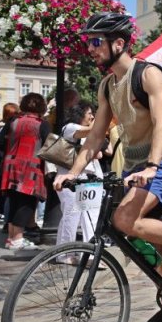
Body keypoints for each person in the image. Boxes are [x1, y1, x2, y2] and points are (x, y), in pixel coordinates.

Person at [54, 11, 162, 322]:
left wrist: (152, 167)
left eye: (95, 42)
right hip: (133, 167)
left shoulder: (148, 75)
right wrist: (72, 173)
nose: (90, 48)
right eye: (88, 42)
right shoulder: (107, 85)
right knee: (130, 233)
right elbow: (95, 137)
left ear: (119, 43)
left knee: (123, 220)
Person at [0, 93, 50, 250]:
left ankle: (11, 238)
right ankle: (17, 239)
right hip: (31, 166)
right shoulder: (42, 124)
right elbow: (49, 146)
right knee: (27, 202)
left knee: (13, 200)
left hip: (11, 164)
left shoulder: (13, 121)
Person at [56, 102, 104, 261]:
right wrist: (105, 117)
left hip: (89, 179)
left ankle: (88, 255)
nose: (92, 116)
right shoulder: (69, 128)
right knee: (71, 216)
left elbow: (99, 155)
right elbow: (90, 131)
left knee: (90, 218)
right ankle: (64, 254)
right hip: (71, 180)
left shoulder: (88, 134)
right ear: (80, 114)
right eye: (90, 113)